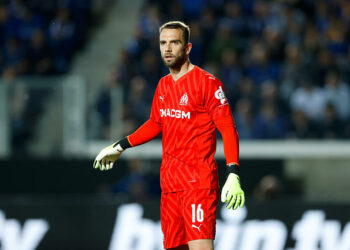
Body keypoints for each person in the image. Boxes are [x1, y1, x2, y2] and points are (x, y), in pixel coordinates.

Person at [93, 21, 245, 250]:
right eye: (163, 42)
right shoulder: (163, 85)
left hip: (197, 183)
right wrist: (120, 146)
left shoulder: (208, 83)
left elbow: (228, 129)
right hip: (170, 184)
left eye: (174, 42)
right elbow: (156, 123)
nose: (167, 48)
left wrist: (232, 172)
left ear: (188, 47)